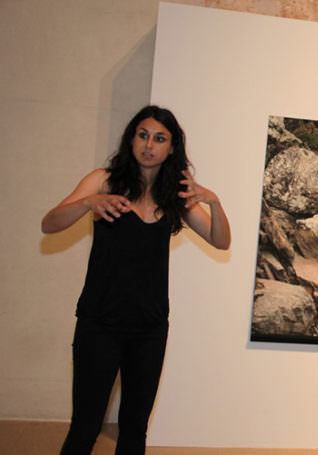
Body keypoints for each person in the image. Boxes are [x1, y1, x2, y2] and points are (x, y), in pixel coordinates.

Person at [41, 105, 231, 454]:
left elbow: (221, 241)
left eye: (160, 138)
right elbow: (49, 224)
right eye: (143, 135)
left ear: (171, 148)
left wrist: (215, 203)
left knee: (134, 431)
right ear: (132, 139)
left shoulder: (176, 195)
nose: (149, 144)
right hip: (99, 323)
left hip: (150, 328)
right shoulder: (103, 180)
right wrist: (87, 202)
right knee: (86, 427)